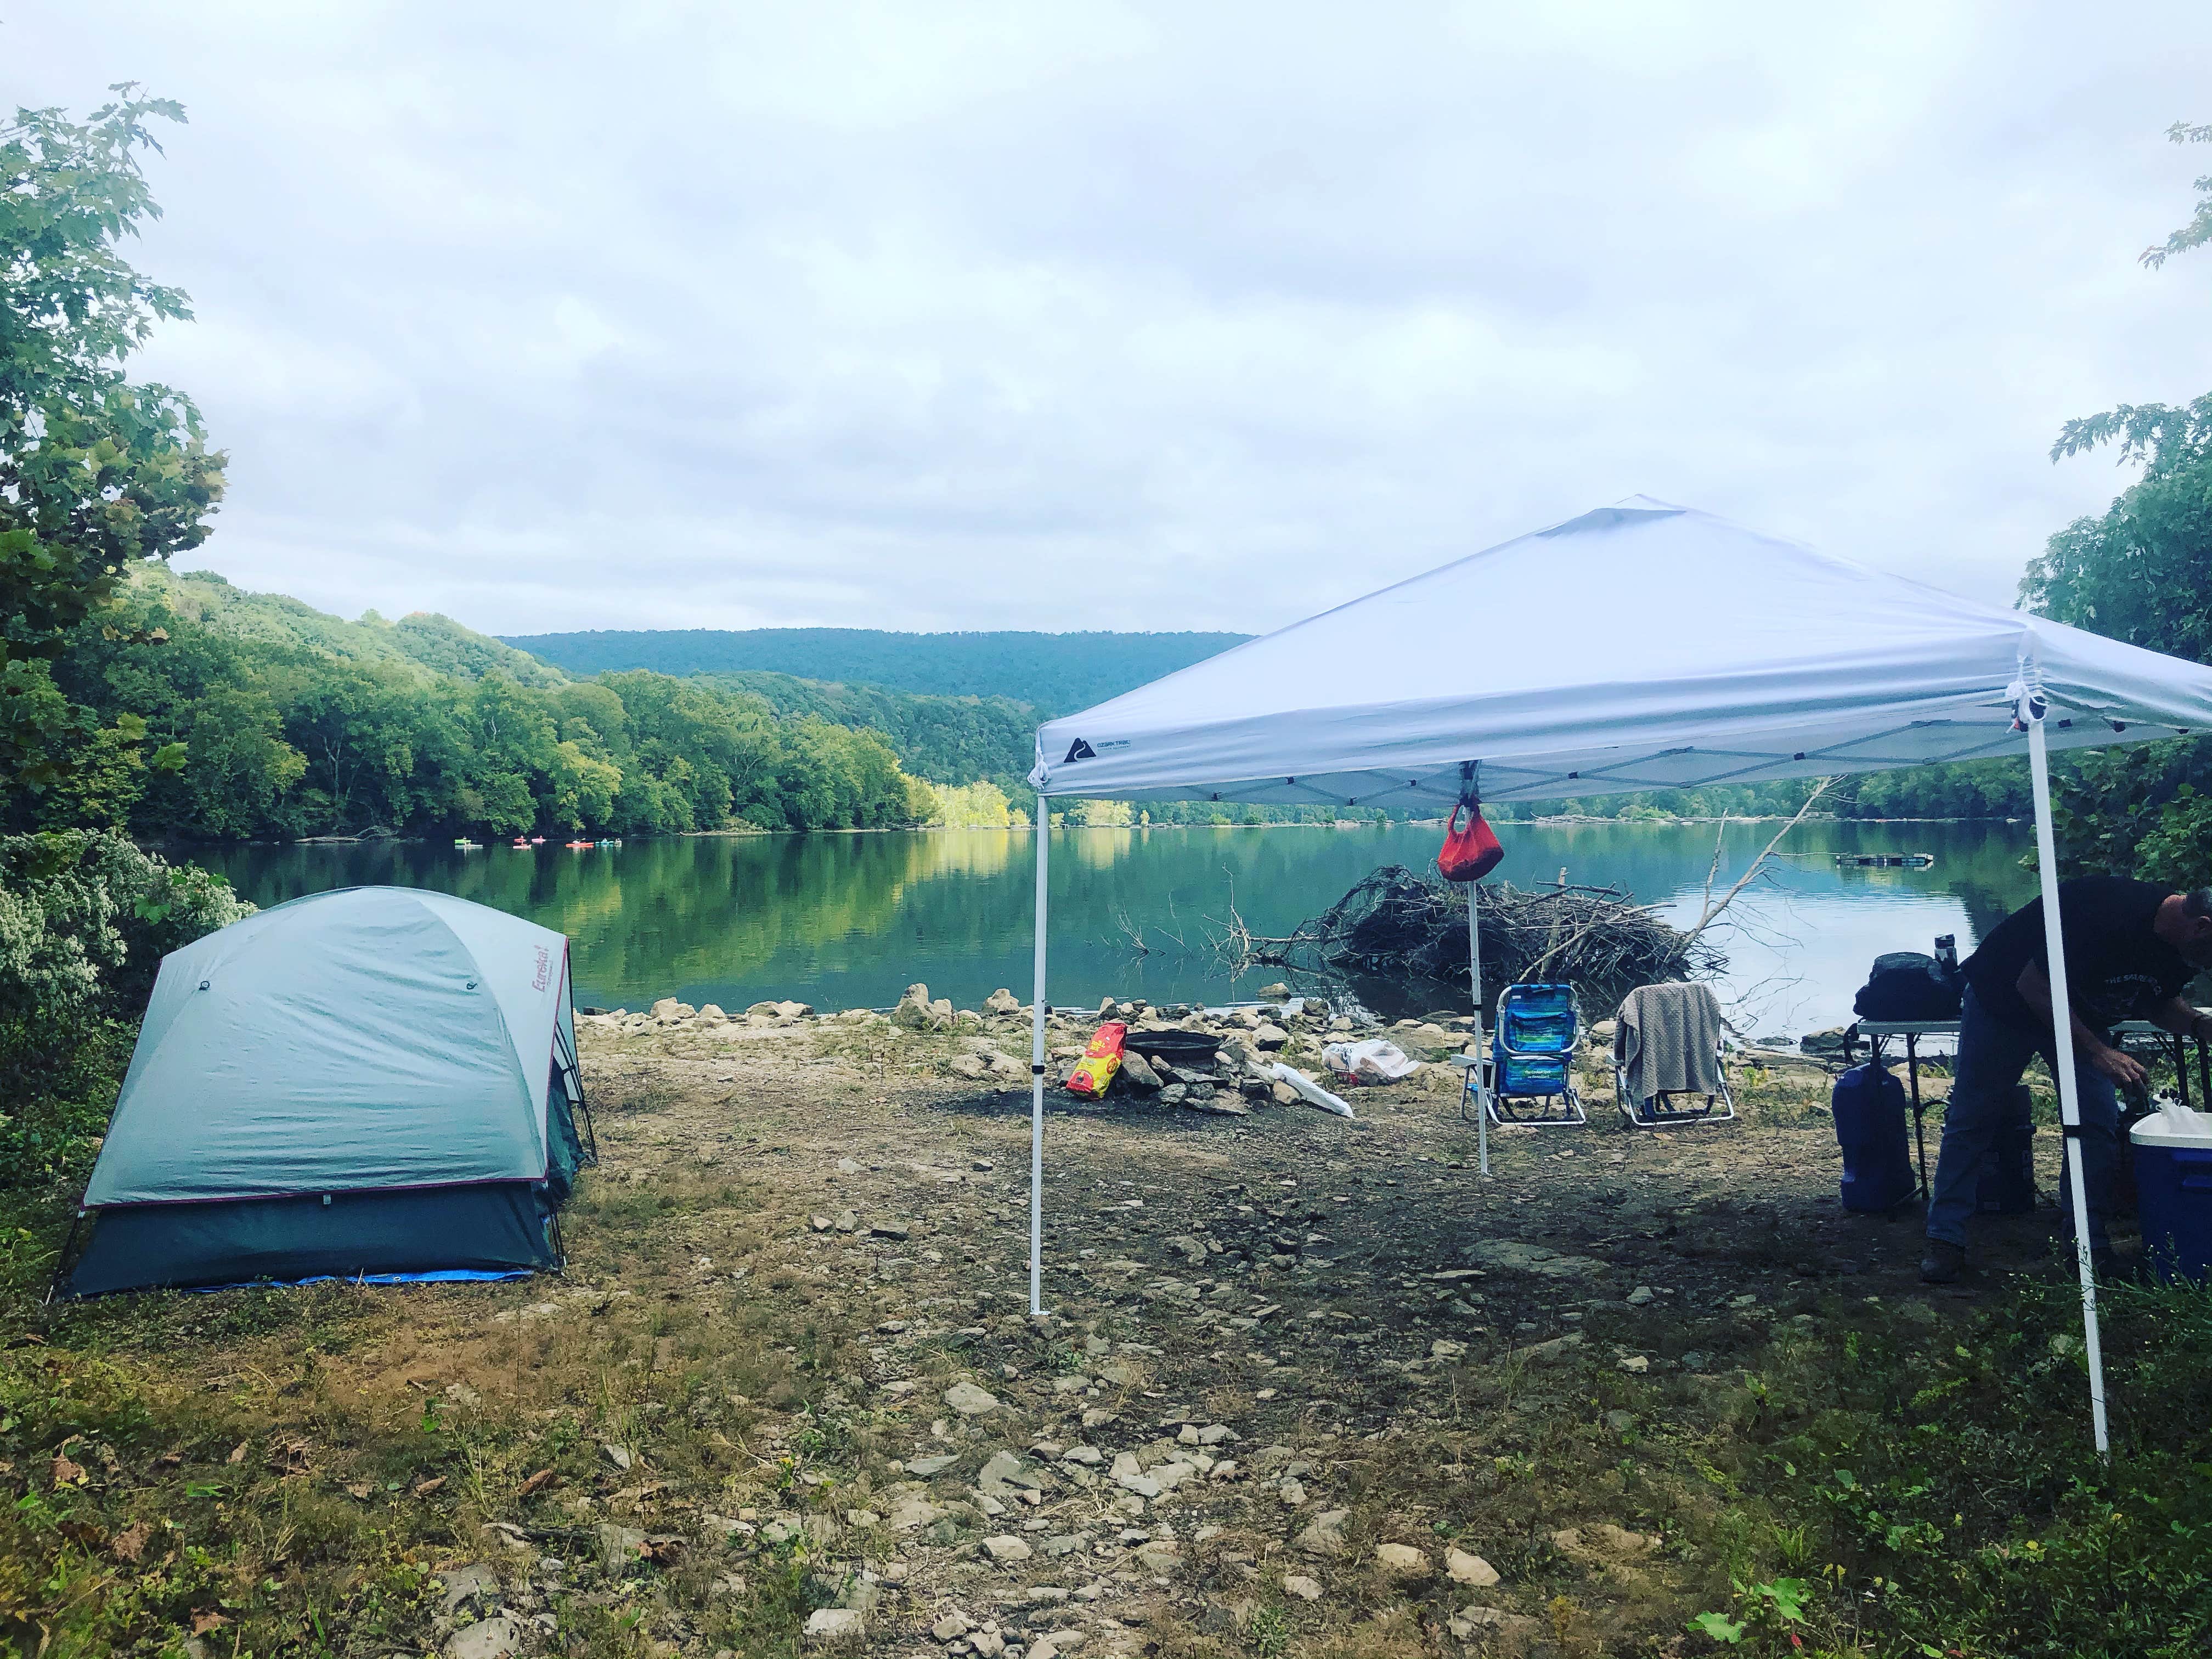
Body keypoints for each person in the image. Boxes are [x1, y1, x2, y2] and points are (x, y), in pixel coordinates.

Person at [1921, 878, 2212, 1284]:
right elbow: (2034, 986)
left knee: (2095, 1124)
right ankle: (1945, 1240)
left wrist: (2199, 1024)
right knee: (1974, 1118)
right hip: (2004, 1003)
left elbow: (2156, 1000)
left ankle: (2087, 1246)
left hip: (2080, 1015)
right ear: (2201, 926)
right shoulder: (2105, 910)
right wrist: (2099, 1052)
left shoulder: (2182, 946)